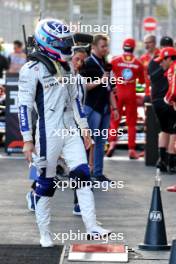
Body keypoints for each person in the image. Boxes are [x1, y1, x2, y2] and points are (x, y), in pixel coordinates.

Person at [18, 19, 111, 247]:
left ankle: (92, 227)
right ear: (49, 42)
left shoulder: (68, 67)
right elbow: (23, 107)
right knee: (46, 184)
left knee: (82, 174)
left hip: (70, 130)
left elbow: (76, 101)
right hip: (47, 132)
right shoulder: (31, 69)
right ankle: (45, 233)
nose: (68, 47)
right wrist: (27, 140)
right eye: (63, 43)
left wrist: (85, 129)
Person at [82, 34, 118, 182]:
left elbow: (109, 88)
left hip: (104, 108)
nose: (105, 49)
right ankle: (83, 173)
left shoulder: (105, 63)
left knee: (101, 141)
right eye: (103, 46)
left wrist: (114, 108)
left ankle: (98, 173)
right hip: (92, 107)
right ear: (94, 47)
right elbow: (83, 87)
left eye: (106, 46)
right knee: (88, 141)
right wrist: (100, 80)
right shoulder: (88, 63)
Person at [107, 38, 145, 159]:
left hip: (118, 92)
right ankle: (131, 150)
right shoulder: (138, 63)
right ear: (134, 48)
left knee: (114, 120)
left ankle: (112, 143)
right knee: (131, 124)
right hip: (131, 93)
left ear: (123, 47)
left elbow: (108, 74)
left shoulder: (115, 60)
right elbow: (143, 81)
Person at [148, 37, 176, 173]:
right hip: (167, 101)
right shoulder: (169, 68)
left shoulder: (154, 62)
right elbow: (173, 91)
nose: (161, 63)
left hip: (157, 101)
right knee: (173, 131)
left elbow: (150, 77)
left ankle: (162, 161)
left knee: (164, 130)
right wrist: (168, 100)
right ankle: (171, 162)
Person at [140, 35, 160, 101]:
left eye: (149, 42)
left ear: (154, 43)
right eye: (145, 43)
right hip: (147, 92)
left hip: (160, 92)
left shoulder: (161, 55)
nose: (147, 45)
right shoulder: (143, 58)